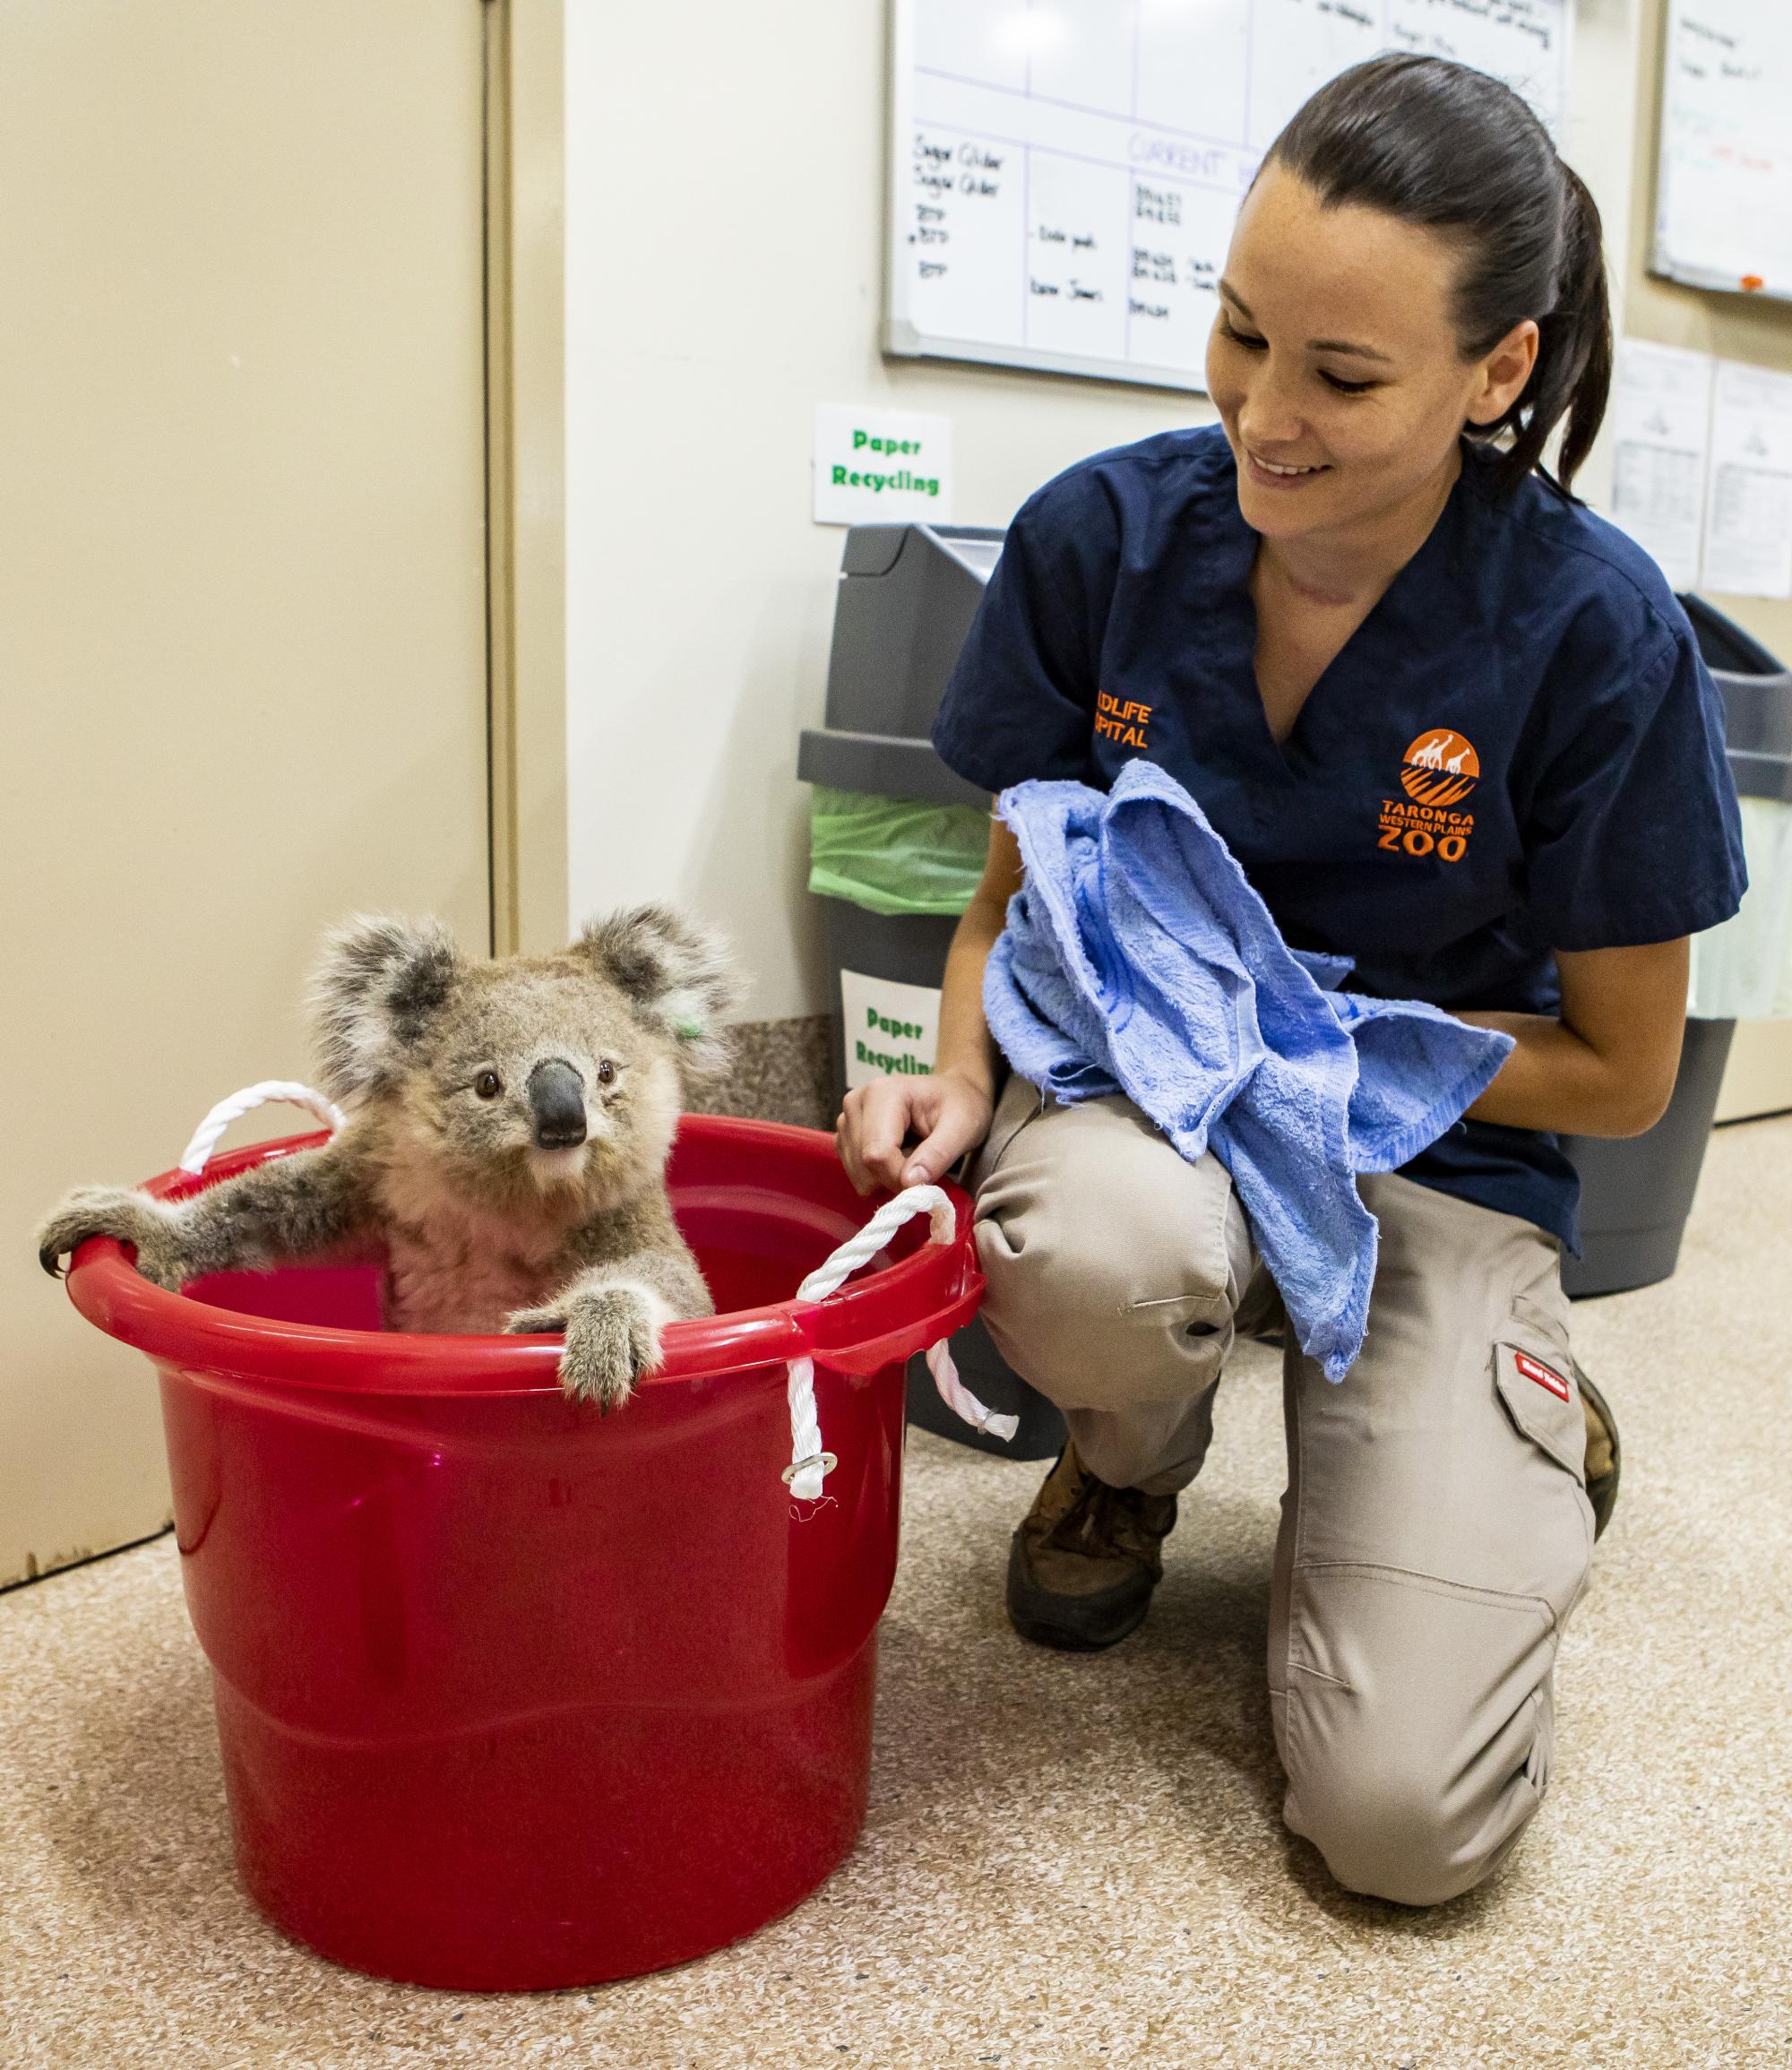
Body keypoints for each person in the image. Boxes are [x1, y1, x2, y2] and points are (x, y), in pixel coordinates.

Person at [832, 54, 1745, 1908]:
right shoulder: (1103, 538)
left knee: (1402, 1826)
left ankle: (1509, 1412)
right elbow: (1010, 906)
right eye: (1238, 335)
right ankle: (1124, 1462)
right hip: (1144, 1123)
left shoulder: (1592, 633)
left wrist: (1302, 1054)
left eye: (1339, 377)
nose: (1261, 413)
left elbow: (1622, 1076)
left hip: (1433, 1165)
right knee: (1088, 1252)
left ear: (1496, 373)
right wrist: (953, 1075)